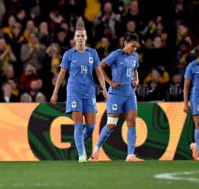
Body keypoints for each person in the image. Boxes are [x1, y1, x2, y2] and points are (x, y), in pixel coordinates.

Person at [50, 28, 108, 162]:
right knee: (78, 124)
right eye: (78, 36)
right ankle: (82, 155)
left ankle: (78, 142)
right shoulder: (69, 54)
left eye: (83, 35)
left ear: (86, 38)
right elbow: (62, 74)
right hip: (74, 92)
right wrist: (55, 92)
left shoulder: (92, 53)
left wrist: (104, 89)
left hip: (89, 93)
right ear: (75, 38)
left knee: (91, 127)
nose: (81, 38)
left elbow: (99, 72)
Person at [91, 33, 144, 162]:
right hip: (116, 94)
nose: (134, 49)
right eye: (132, 46)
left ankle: (130, 155)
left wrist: (136, 79)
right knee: (111, 124)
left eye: (136, 47)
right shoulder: (116, 54)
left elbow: (135, 69)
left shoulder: (135, 56)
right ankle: (96, 150)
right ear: (125, 43)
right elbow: (100, 67)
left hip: (130, 93)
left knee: (132, 121)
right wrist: (110, 82)